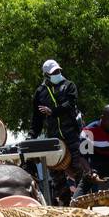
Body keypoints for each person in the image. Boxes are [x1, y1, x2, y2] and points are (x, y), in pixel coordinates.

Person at [31, 60, 88, 206]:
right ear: (46, 75)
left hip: (73, 133)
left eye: (58, 71)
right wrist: (32, 135)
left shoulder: (69, 85)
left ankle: (82, 201)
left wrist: (53, 112)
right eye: (53, 73)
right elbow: (37, 118)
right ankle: (65, 202)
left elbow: (70, 104)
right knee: (56, 172)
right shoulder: (40, 92)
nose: (57, 74)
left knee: (80, 167)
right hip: (54, 137)